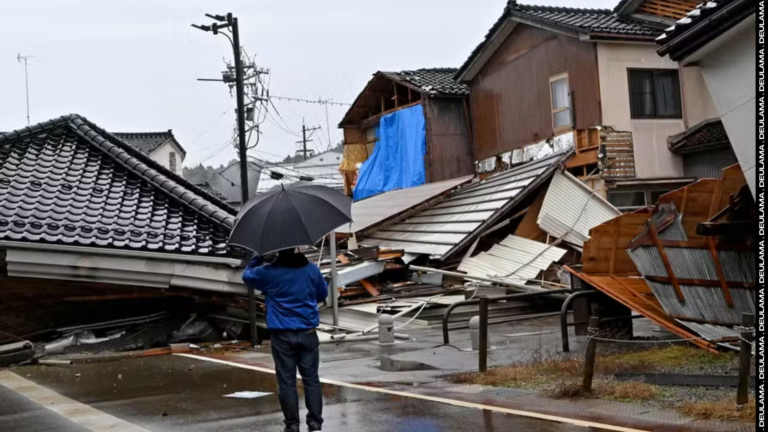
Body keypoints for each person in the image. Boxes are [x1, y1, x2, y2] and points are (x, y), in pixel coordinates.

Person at [243, 248, 328, 432]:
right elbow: (322, 294)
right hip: (308, 332)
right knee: (311, 380)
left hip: (282, 335)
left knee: (287, 382)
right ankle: (314, 423)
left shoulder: (268, 273)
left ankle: (292, 425)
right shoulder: (311, 269)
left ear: (277, 253)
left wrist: (257, 257)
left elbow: (247, 276)